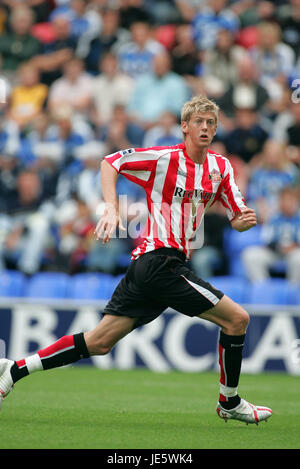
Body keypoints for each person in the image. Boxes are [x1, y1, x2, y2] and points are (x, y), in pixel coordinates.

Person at [0, 95, 272, 425]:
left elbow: (236, 214)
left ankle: (15, 369)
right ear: (184, 127)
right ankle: (228, 402)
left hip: (155, 266)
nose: (205, 127)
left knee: (99, 342)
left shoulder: (221, 168)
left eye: (210, 122)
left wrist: (241, 221)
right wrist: (113, 208)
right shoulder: (162, 158)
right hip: (159, 262)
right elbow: (110, 162)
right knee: (237, 320)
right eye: (198, 121)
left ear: (216, 130)